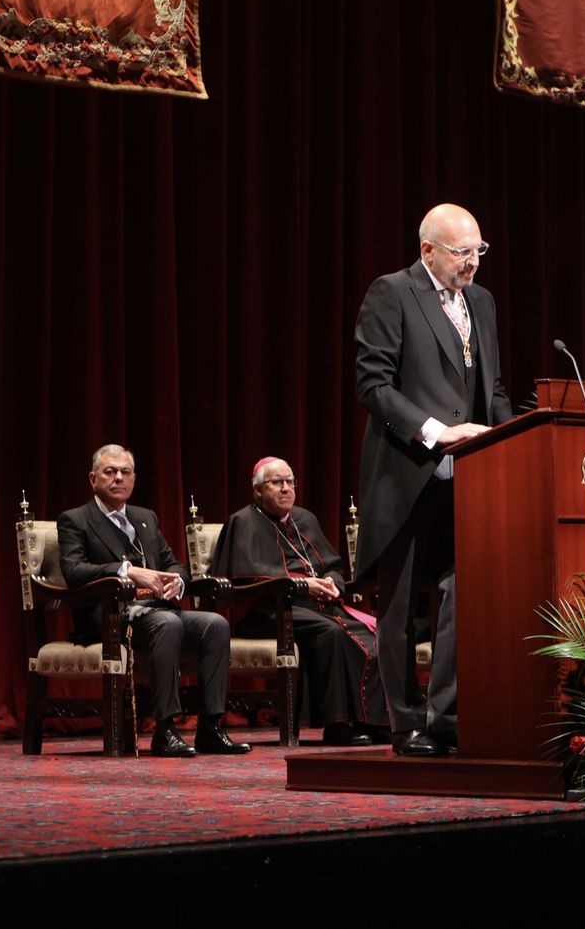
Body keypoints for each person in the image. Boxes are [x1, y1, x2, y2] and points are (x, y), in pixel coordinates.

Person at [355, 203, 513, 756]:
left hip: (472, 477)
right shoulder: (392, 292)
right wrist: (436, 432)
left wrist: (509, 442)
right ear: (428, 251)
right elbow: (373, 386)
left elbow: (491, 389)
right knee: (398, 606)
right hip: (408, 472)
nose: (472, 262)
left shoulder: (483, 303)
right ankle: (404, 723)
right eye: (461, 252)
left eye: (478, 251)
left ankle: (445, 716)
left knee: (461, 597)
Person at [58, 444, 251, 757]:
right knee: (168, 623)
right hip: (112, 617)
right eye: (110, 472)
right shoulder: (76, 520)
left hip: (157, 611)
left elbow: (172, 562)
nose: (118, 478)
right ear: (93, 479)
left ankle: (211, 728)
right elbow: (73, 570)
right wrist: (128, 571)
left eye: (125, 472)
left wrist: (177, 580)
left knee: (214, 624)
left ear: (134, 479)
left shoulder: (145, 517)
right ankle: (165, 729)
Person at [210, 457, 387, 745]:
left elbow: (332, 564)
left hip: (319, 608)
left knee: (374, 634)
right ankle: (337, 725)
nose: (285, 488)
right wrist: (303, 586)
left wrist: (332, 583)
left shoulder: (305, 518)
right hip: (271, 611)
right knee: (333, 634)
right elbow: (243, 580)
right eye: (276, 482)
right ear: (257, 490)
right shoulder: (242, 522)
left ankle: (376, 721)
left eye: (290, 481)